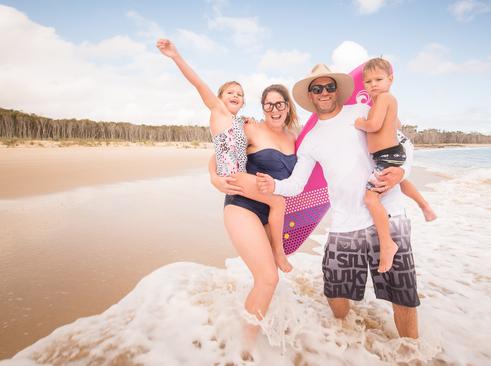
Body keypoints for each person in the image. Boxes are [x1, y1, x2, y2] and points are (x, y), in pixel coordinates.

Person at [257, 64, 420, 338]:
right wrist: (274, 185)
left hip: (388, 214)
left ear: (338, 89)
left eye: (329, 87)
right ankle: (346, 341)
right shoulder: (309, 140)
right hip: (345, 223)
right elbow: (297, 184)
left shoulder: (362, 112)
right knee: (335, 293)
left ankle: (411, 353)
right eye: (317, 88)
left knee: (402, 296)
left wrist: (402, 171)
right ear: (310, 95)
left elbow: (404, 144)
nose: (324, 92)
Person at [157, 39, 299, 346]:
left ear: (288, 107)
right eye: (230, 93)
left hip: (255, 193)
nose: (235, 96)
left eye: (240, 94)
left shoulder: (253, 127)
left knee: (268, 277)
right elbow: (199, 88)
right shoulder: (228, 117)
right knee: (270, 269)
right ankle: (245, 348)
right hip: (241, 192)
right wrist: (176, 55)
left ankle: (252, 328)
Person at [354, 57, 436, 273]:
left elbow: (374, 125)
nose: (373, 85)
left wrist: (361, 124)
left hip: (388, 155)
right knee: (400, 181)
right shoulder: (385, 101)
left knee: (371, 199)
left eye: (379, 79)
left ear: (390, 79)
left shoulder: (384, 98)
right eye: (368, 81)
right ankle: (424, 205)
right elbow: (395, 124)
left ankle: (387, 243)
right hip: (389, 156)